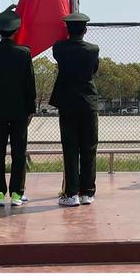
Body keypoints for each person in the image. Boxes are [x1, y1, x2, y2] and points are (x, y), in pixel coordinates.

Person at [0, 8, 36, 207]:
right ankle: (16, 194)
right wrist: (31, 109)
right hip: (20, 111)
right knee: (18, 152)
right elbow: (30, 84)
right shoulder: (24, 53)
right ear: (15, 31)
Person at [49, 13, 99, 206]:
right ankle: (88, 192)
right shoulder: (93, 50)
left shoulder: (59, 48)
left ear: (67, 30)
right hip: (88, 103)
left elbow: (59, 53)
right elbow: (93, 70)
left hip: (67, 103)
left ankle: (72, 193)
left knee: (70, 148)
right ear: (85, 30)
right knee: (89, 148)